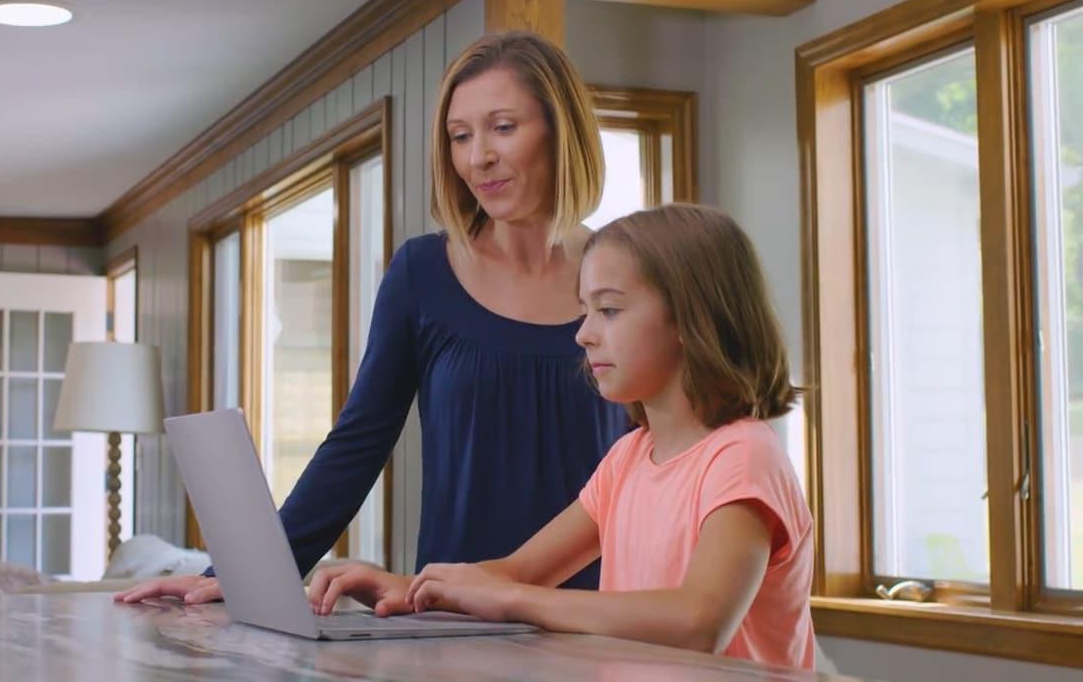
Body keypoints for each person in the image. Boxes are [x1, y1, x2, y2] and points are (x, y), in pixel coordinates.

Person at [116, 30, 631, 608]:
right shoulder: (423, 273)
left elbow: (662, 454)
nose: (477, 156)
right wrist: (234, 575)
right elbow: (357, 443)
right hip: (451, 624)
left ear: (561, 132)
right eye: (460, 136)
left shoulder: (631, 273)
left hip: (596, 619)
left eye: (503, 128)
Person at [311, 205, 815, 670]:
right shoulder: (628, 459)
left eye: (610, 311)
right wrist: (411, 588)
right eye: (585, 310)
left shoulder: (743, 457)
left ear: (691, 318)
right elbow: (519, 572)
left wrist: (510, 601)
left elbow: (698, 622)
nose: (583, 334)